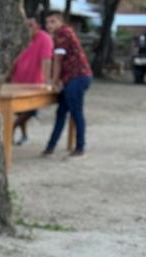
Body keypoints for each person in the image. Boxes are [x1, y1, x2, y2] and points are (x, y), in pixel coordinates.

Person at [43, 11, 92, 157]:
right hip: (72, 78)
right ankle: (50, 146)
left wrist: (53, 81)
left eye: (52, 22)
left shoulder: (62, 34)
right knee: (61, 112)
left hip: (78, 76)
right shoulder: (61, 34)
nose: (49, 25)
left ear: (60, 22)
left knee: (76, 112)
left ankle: (80, 147)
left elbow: (58, 60)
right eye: (47, 22)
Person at [11, 15, 53, 145]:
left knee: (30, 111)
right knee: (19, 111)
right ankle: (24, 136)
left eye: (31, 25)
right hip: (18, 80)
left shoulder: (45, 38)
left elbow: (46, 60)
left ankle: (10, 129)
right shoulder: (20, 38)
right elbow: (13, 58)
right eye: (26, 25)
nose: (28, 28)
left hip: (35, 83)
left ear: (37, 27)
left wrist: (47, 81)